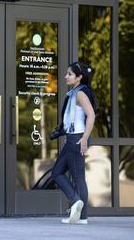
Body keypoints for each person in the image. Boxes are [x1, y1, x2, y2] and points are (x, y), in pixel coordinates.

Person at [51, 62, 97, 225]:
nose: (65, 76)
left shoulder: (80, 94)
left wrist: (84, 138)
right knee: (57, 172)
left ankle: (81, 214)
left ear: (79, 77)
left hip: (76, 139)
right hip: (72, 138)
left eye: (69, 74)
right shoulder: (74, 93)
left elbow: (91, 116)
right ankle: (78, 207)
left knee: (78, 178)